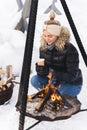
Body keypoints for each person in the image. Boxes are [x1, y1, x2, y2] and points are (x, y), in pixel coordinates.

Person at [31, 11, 83, 98]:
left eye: (50, 36)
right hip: (52, 80)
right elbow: (43, 72)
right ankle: (50, 94)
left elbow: (72, 75)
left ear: (58, 35)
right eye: (45, 35)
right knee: (34, 80)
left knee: (59, 91)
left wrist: (55, 75)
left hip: (70, 83)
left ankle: (63, 96)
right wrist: (40, 69)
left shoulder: (69, 49)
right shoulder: (43, 47)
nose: (47, 39)